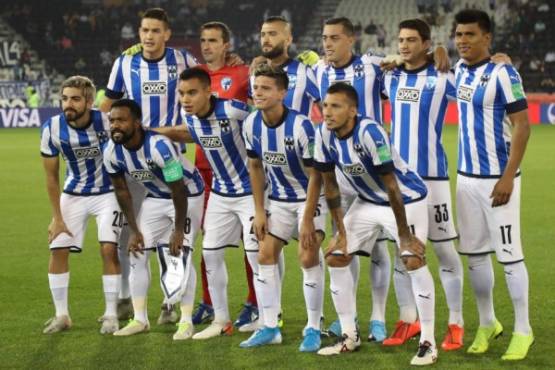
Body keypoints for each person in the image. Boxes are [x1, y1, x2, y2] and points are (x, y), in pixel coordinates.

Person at [301, 83, 438, 365]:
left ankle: (428, 342)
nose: (327, 112)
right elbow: (331, 186)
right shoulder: (323, 134)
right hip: (368, 201)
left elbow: (393, 187)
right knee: (336, 256)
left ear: (353, 111)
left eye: (336, 106)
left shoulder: (370, 132)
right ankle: (349, 335)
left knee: (412, 259)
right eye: (325, 106)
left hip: (406, 199)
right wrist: (339, 231)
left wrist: (404, 236)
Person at [100, 7, 198, 324]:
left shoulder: (182, 61)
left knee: (171, 238)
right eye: (144, 30)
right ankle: (128, 300)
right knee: (130, 234)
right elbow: (108, 103)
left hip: (168, 158)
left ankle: (170, 304)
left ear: (166, 34)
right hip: (132, 163)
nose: (149, 36)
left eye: (156, 30)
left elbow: (203, 84)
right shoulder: (124, 63)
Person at [153, 67, 262, 340]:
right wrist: (150, 131)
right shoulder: (191, 119)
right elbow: (186, 133)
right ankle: (221, 320)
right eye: (181, 93)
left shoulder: (235, 111)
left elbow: (262, 126)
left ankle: (269, 318)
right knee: (210, 255)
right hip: (221, 195)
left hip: (250, 193)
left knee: (256, 255)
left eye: (192, 93)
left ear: (207, 92)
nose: (185, 99)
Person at [453, 9, 533, 360]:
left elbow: (522, 126)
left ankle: (523, 329)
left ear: (487, 38)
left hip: (498, 182)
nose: (462, 41)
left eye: (470, 35)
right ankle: (488, 323)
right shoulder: (457, 70)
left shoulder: (504, 73)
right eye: (458, 35)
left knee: (510, 257)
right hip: (466, 180)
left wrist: (507, 176)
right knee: (475, 258)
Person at [381, 18, 465, 351]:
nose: (404, 45)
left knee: (444, 251)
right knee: (403, 251)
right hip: (398, 181)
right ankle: (408, 318)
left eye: (412, 40)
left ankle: (455, 321)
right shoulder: (391, 77)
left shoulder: (443, 78)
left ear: (426, 43)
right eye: (401, 40)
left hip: (433, 179)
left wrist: (447, 52)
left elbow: (473, 78)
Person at [239, 64, 326, 352]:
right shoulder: (251, 124)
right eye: (256, 87)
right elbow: (255, 167)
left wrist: (308, 220)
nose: (258, 92)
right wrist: (259, 210)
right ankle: (270, 326)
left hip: (309, 198)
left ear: (282, 93)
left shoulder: (301, 126)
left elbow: (316, 174)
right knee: (264, 254)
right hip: (278, 200)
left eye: (265, 88)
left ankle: (313, 327)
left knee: (306, 255)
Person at [103, 99, 205, 339]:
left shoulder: (159, 147)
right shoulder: (111, 152)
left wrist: (178, 230)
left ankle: (186, 320)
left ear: (137, 123)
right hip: (156, 197)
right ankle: (140, 319)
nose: (115, 125)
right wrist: (134, 229)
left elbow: (178, 188)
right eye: (112, 120)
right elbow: (122, 191)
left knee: (180, 254)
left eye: (121, 120)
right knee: (137, 250)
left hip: (187, 195)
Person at [40, 76, 121, 335]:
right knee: (58, 249)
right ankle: (61, 315)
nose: (68, 104)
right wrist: (57, 217)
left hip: (108, 193)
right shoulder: (52, 128)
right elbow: (51, 178)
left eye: (75, 99)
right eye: (64, 99)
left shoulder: (106, 121)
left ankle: (111, 314)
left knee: (109, 249)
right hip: (72, 194)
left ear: (89, 101)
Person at [192, 21, 258, 330]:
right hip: (206, 170)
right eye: (203, 40)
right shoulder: (196, 76)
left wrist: (256, 63)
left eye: (213, 41)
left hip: (240, 172)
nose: (207, 46)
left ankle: (255, 301)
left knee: (251, 241)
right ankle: (208, 301)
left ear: (226, 44)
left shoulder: (242, 74)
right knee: (210, 241)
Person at [251, 16, 321, 117]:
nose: (265, 39)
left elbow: (328, 110)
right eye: (263, 35)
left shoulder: (304, 73)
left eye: (272, 34)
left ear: (288, 40)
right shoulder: (254, 73)